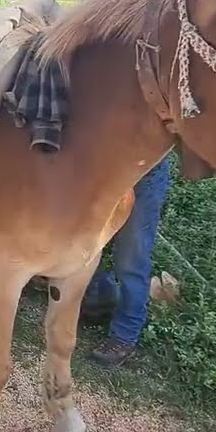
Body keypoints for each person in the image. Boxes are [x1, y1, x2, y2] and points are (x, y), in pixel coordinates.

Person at [81, 155, 173, 366]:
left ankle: (124, 336)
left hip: (143, 174)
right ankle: (96, 300)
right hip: (105, 167)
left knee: (130, 260)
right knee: (86, 245)